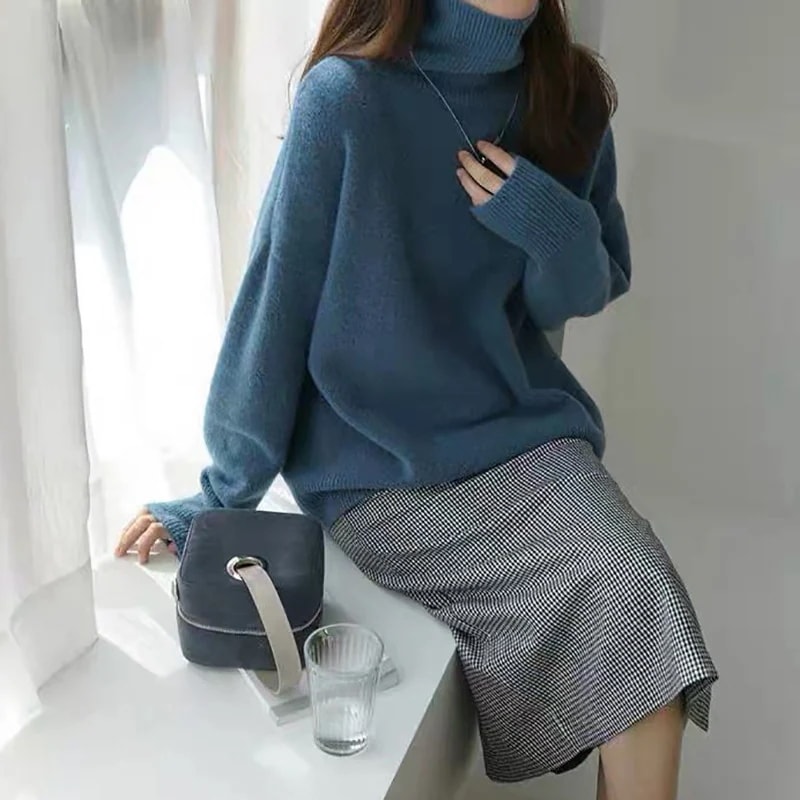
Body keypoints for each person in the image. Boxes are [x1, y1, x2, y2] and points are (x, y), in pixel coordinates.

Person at [116, 0, 718, 796]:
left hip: (523, 442)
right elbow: (276, 308)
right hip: (379, 471)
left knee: (643, 605)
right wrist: (222, 495)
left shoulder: (567, 94)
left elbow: (579, 290)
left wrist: (552, 225)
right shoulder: (347, 99)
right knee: (632, 603)